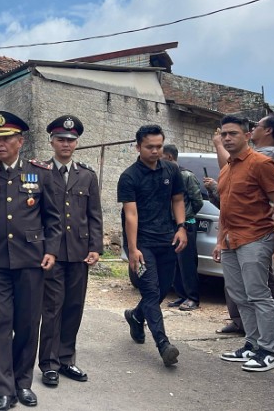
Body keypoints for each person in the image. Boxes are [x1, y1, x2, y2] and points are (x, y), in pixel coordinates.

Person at [0, 111, 61, 411]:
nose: (0, 144)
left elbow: (53, 220)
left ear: (20, 141)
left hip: (31, 260)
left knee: (28, 324)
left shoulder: (41, 173)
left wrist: (51, 250)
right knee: (1, 324)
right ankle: (4, 390)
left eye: (6, 139)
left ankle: (23, 383)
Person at [213, 115, 274, 373]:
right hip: (231, 240)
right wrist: (220, 241)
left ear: (247, 135)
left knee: (258, 294)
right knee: (239, 295)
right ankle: (252, 344)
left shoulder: (262, 163)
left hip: (256, 236)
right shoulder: (226, 168)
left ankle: (269, 350)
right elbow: (225, 209)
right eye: (224, 134)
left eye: (233, 133)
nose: (227, 138)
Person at [37, 115, 102, 387]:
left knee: (74, 306)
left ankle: (67, 360)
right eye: (61, 139)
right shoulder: (39, 172)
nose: (66, 144)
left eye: (71, 140)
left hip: (78, 251)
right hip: (50, 253)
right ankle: (49, 364)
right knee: (52, 308)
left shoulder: (86, 175)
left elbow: (94, 214)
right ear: (51, 141)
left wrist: (95, 247)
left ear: (77, 144)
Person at [119, 124, 188, 367]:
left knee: (162, 289)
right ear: (138, 147)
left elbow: (178, 199)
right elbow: (131, 215)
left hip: (167, 238)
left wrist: (181, 227)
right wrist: (133, 249)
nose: (155, 151)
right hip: (143, 242)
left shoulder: (171, 169)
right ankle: (163, 344)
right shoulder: (129, 176)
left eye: (159, 146)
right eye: (150, 147)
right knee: (150, 291)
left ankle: (136, 317)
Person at [162, 144, 203, 311]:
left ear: (170, 157)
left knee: (187, 263)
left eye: (161, 157)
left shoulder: (186, 176)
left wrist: (186, 217)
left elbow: (197, 201)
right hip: (171, 226)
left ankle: (193, 298)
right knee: (175, 263)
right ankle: (181, 295)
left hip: (187, 225)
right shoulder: (166, 176)